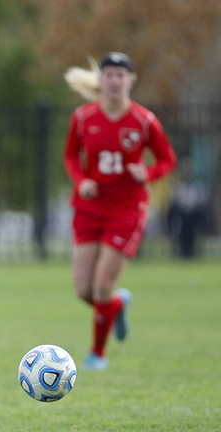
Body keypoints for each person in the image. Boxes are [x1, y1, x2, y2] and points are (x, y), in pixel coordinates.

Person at [63, 52, 176, 371]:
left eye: (120, 74)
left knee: (101, 285)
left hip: (127, 210)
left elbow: (168, 159)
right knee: (84, 290)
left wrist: (149, 174)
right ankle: (117, 304)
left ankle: (97, 354)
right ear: (100, 81)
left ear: (131, 81)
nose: (114, 80)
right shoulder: (83, 117)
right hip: (88, 208)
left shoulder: (144, 120)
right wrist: (82, 180)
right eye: (108, 74)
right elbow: (71, 156)